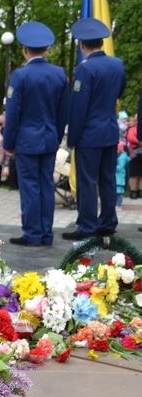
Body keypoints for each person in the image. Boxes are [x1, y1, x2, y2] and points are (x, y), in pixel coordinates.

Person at [3, 22, 69, 246]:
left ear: (24, 49)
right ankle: (46, 234)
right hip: (50, 139)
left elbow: (13, 114)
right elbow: (63, 112)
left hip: (26, 141)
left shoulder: (20, 75)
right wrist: (57, 137)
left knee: (30, 187)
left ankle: (32, 234)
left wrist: (9, 143)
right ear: (46, 50)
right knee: (46, 186)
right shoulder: (59, 73)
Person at [64, 18, 127, 240]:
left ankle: (87, 226)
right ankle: (108, 221)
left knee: (87, 181)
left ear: (82, 46)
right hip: (109, 132)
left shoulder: (85, 69)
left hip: (89, 136)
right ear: (102, 43)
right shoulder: (117, 64)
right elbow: (119, 93)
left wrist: (72, 139)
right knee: (107, 179)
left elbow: (78, 108)